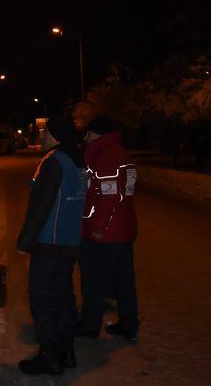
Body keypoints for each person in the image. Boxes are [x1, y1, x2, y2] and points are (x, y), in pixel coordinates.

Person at [16, 116, 87, 376]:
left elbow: (40, 206)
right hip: (70, 241)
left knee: (42, 299)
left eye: (46, 133)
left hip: (49, 242)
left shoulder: (53, 162)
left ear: (55, 136)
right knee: (64, 297)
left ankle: (49, 356)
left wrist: (25, 242)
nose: (43, 137)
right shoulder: (78, 160)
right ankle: (66, 352)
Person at [77, 116, 139, 341]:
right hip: (124, 229)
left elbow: (109, 196)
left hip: (106, 233)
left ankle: (90, 325)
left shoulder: (106, 156)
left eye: (88, 132)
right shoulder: (121, 152)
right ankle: (129, 325)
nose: (85, 137)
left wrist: (99, 227)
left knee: (94, 281)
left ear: (96, 134)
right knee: (124, 282)